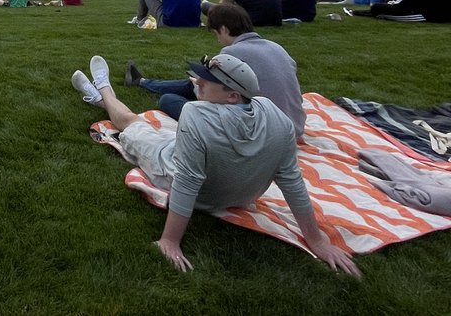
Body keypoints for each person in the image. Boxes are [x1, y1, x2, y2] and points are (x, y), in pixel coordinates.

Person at [70, 54, 358, 276]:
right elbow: (291, 181)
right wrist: (316, 239)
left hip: (193, 187)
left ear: (233, 95)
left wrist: (170, 240)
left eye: (206, 80)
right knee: (169, 135)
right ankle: (101, 97)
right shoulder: (274, 115)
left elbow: (187, 181)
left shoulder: (195, 114)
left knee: (134, 123)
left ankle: (104, 92)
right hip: (244, 197)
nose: (197, 82)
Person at [124, 1, 306, 138]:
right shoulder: (275, 47)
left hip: (259, 131)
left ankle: (143, 82)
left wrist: (199, 87)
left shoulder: (232, 52)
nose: (217, 39)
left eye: (215, 33)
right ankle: (142, 82)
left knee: (170, 100)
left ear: (224, 29)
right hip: (294, 125)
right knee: (194, 83)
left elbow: (214, 98)